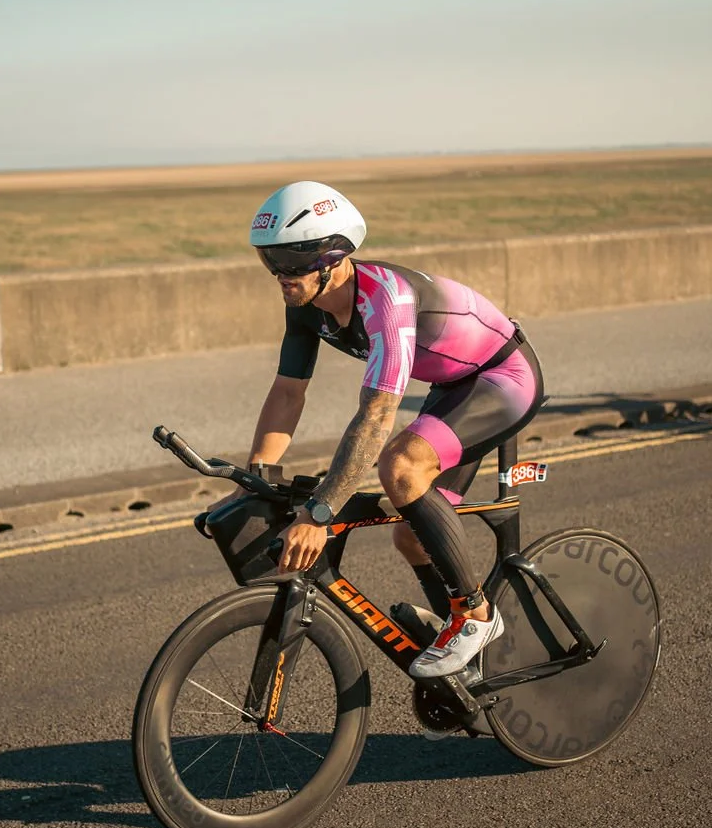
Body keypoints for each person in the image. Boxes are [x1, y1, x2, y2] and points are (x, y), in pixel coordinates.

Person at [220, 179, 545, 680]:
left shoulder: (385, 302)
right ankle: (472, 668)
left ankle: (476, 616)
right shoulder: (305, 306)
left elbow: (375, 418)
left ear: (332, 258)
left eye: (291, 262)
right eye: (271, 261)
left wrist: (321, 512)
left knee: (400, 464)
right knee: (413, 538)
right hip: (454, 385)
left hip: (502, 379)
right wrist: (259, 474)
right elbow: (288, 391)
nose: (280, 275)